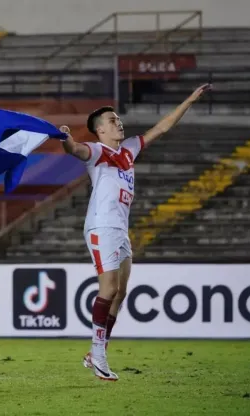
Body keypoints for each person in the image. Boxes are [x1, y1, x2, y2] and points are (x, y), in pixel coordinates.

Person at [61, 84, 211, 381]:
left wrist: (190, 99)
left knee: (121, 292)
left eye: (118, 118)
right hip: (101, 224)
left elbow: (163, 127)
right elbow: (76, 149)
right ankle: (98, 354)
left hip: (120, 228)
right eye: (112, 120)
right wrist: (66, 139)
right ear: (100, 130)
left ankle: (97, 351)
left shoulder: (129, 148)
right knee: (109, 288)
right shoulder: (97, 151)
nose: (119, 122)